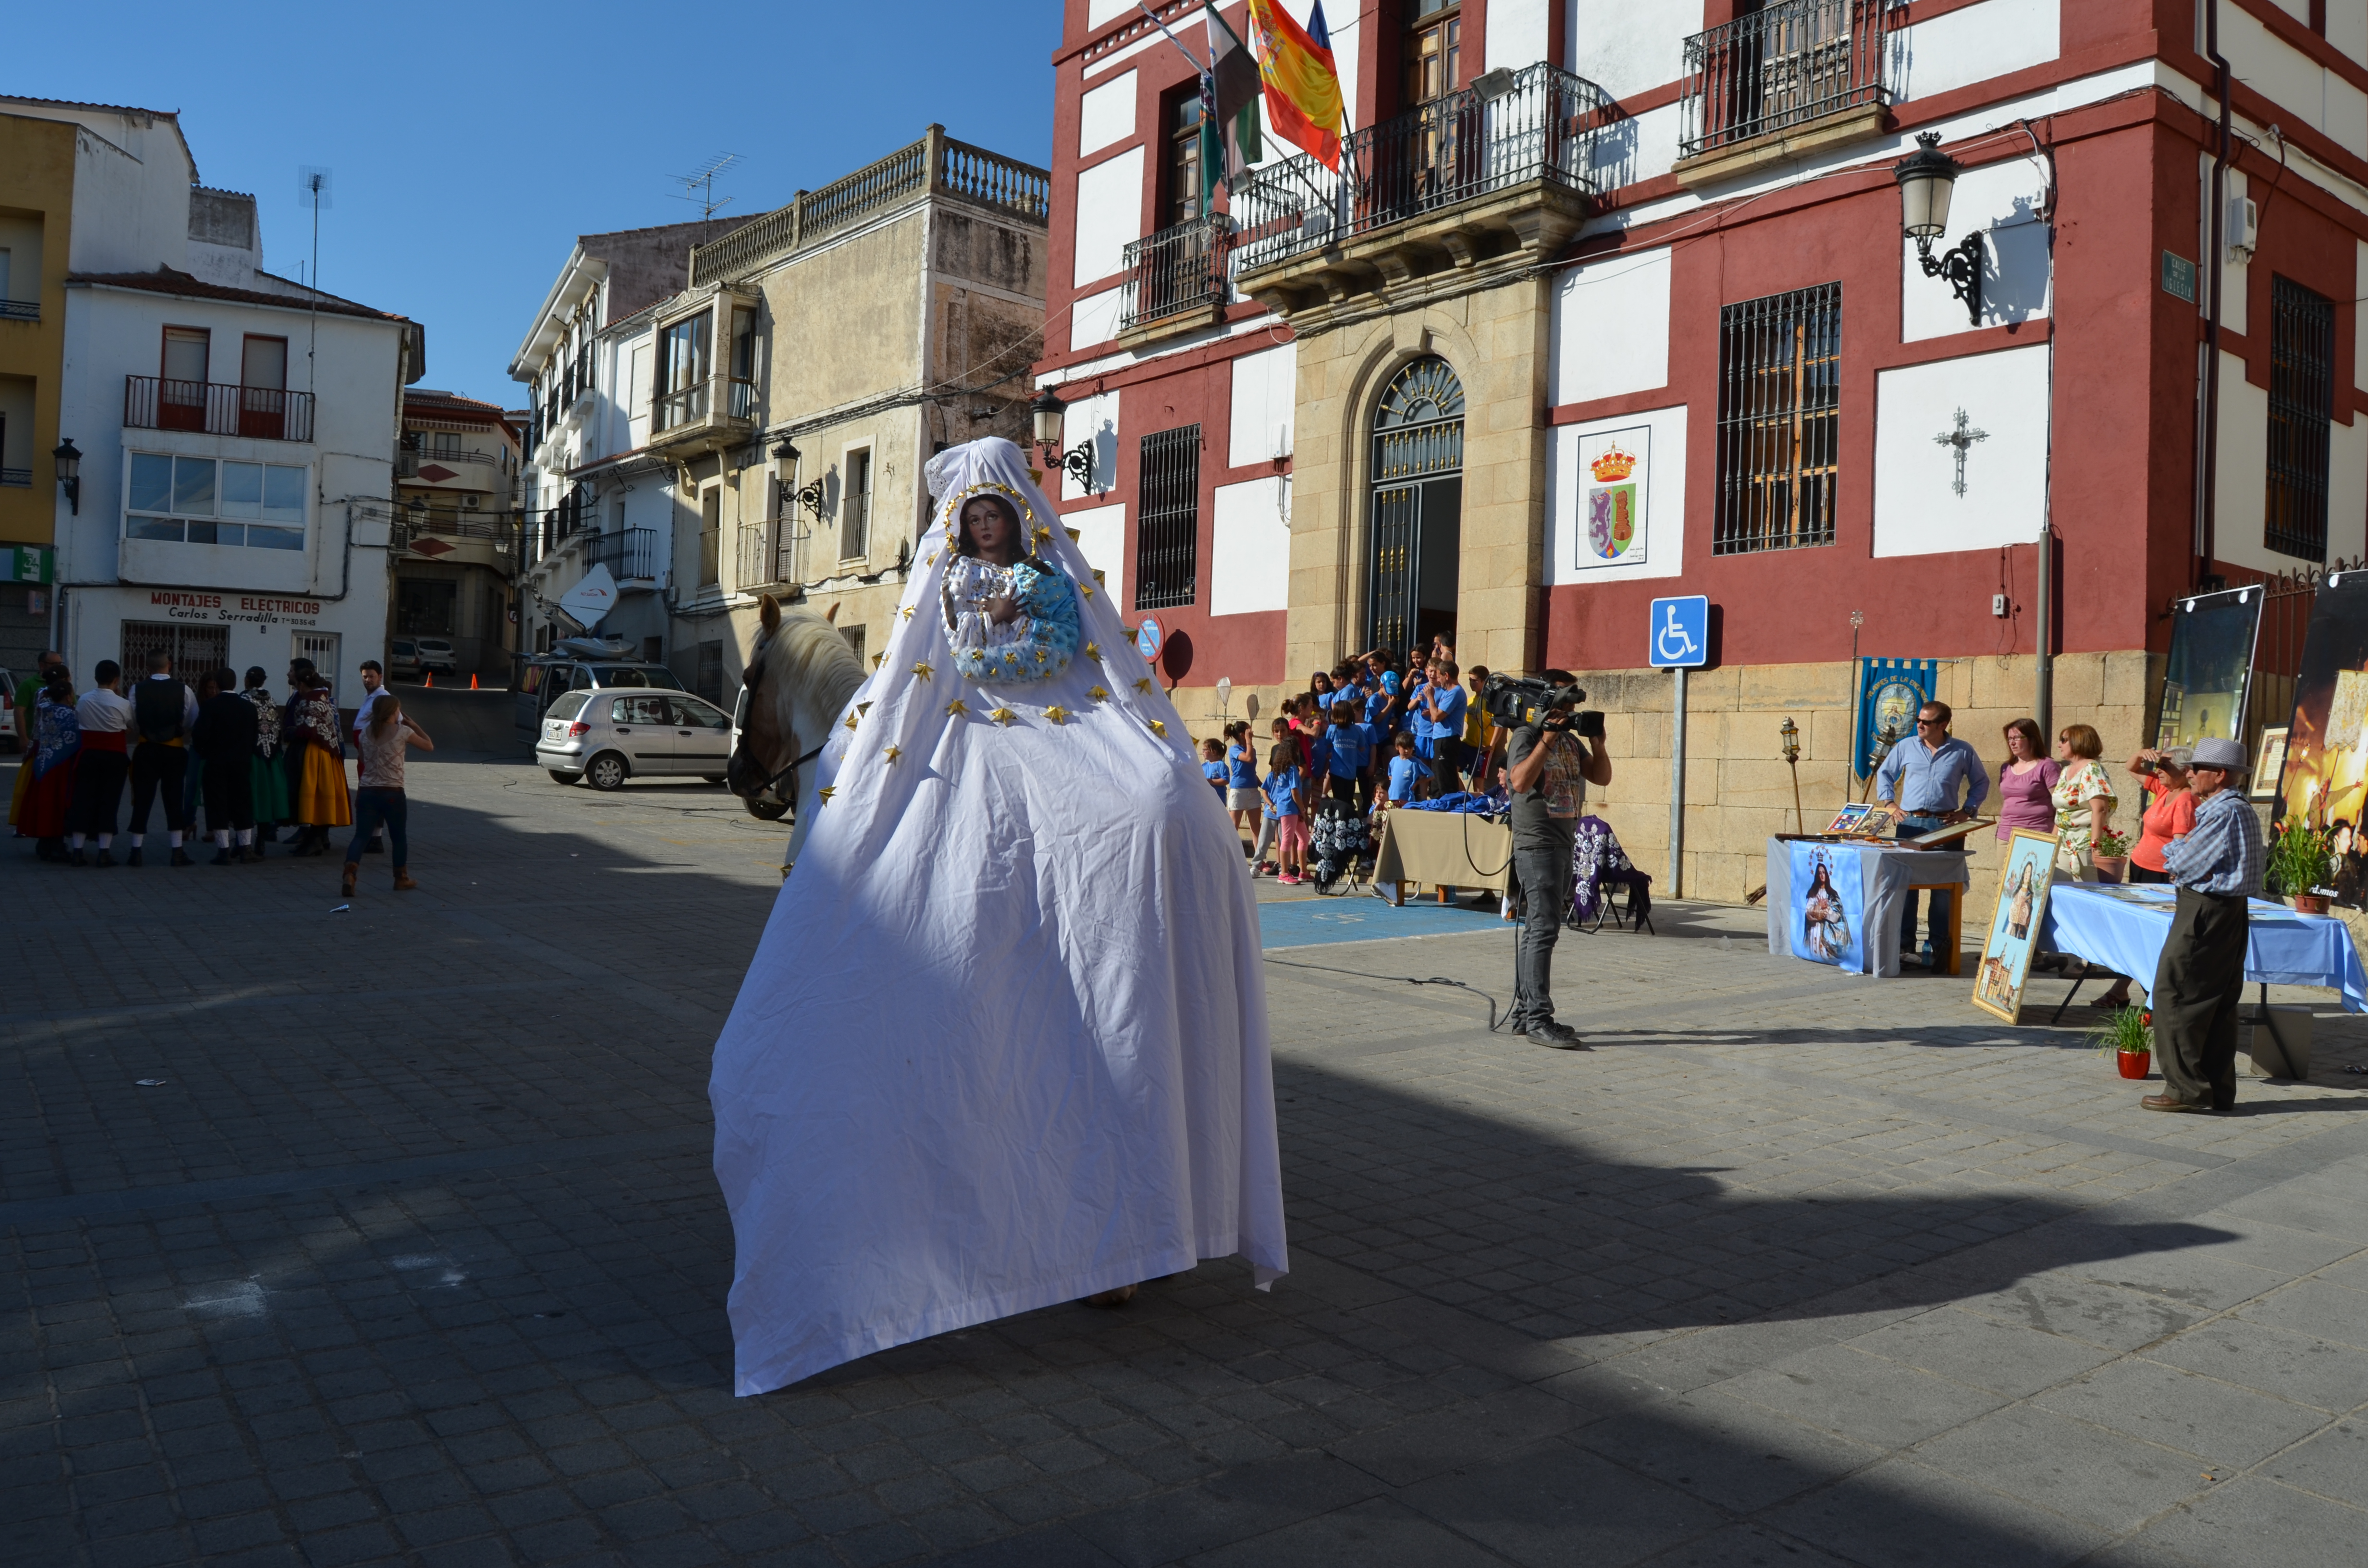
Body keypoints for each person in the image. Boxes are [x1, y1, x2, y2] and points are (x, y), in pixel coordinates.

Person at [708, 436, 1284, 1395]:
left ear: (1016, 524)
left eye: (993, 518)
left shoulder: (1044, 596)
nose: (983, 528)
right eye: (971, 520)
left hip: (1034, 714)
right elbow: (949, 656)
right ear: (958, 529)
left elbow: (1043, 645)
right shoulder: (942, 610)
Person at [2146, 736, 2263, 1114]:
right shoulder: (2232, 807)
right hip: (2224, 908)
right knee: (2214, 1000)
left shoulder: (2223, 810)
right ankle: (2214, 1088)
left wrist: (2172, 850)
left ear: (2221, 774)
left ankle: (2185, 1089)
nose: (2191, 774)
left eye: (2198, 769)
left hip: (2206, 908)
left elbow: (2182, 863)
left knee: (2176, 994)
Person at [1503, 672, 1614, 1047]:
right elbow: (1518, 781)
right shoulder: (1526, 735)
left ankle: (1524, 1014)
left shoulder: (1569, 740)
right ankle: (1538, 1019)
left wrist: (1597, 744)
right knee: (1545, 929)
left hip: (1563, 842)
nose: (1572, 709)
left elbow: (1601, 776)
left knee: (1537, 929)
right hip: (1537, 845)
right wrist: (1547, 738)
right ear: (1548, 700)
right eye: (1566, 701)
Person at [1874, 700, 1991, 968]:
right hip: (1911, 824)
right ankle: (1904, 946)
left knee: (1944, 889)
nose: (1920, 725)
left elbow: (1981, 782)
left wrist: (1968, 811)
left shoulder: (1962, 750)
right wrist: (1890, 804)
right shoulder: (1906, 746)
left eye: (1926, 722)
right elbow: (1885, 773)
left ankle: (1940, 948)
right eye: (1919, 720)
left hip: (1946, 825)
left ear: (1943, 725)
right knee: (1906, 885)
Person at [2093, 746, 2200, 1009]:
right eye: (2158, 765)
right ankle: (2123, 991)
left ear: (2186, 772)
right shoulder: (2165, 789)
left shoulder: (2185, 800)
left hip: (2162, 876)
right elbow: (2131, 769)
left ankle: (2156, 997)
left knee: (2153, 937)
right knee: (2137, 933)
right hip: (2143, 868)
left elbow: (2181, 843)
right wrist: (2141, 754)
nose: (2159, 771)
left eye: (2166, 766)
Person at [343, 692, 432, 896]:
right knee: (398, 837)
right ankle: (401, 878)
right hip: (393, 792)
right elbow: (429, 746)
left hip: (367, 791)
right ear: (394, 712)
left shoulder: (366, 732)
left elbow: (363, 759)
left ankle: (350, 873)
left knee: (361, 836)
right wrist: (415, 725)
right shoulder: (403, 732)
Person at [125, 650, 198, 867]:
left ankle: (136, 851)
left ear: (147, 667)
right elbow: (192, 719)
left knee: (142, 800)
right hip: (174, 750)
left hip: (146, 748)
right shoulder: (184, 690)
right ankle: (177, 851)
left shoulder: (136, 689)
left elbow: (132, 719)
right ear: (170, 664)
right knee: (174, 799)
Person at [192, 667, 260, 865]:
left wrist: (205, 752)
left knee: (217, 804)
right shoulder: (248, 708)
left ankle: (223, 850)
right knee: (243, 802)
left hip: (216, 762)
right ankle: (246, 848)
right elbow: (255, 736)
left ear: (218, 685)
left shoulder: (211, 706)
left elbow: (200, 735)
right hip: (241, 763)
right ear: (235, 684)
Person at [67, 661, 133, 866]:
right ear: (117, 680)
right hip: (115, 758)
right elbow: (130, 725)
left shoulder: (84, 700)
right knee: (109, 802)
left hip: (89, 755)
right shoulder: (123, 703)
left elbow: (79, 722)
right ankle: (104, 852)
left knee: (83, 800)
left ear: (96, 678)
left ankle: (77, 851)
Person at [286, 668, 352, 856]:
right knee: (322, 794)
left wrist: (292, 732)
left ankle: (314, 840)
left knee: (313, 794)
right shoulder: (323, 697)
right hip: (328, 751)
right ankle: (319, 838)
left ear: (301, 684)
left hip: (315, 752)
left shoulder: (310, 700)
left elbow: (309, 729)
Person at [17, 668, 80, 860]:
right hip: (61, 766)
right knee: (58, 804)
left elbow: (43, 696)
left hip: (43, 763)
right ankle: (56, 845)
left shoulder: (45, 709)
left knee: (43, 802)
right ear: (69, 697)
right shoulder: (72, 715)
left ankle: (43, 843)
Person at [2049, 723, 2119, 881]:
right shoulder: (2066, 771)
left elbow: (2100, 809)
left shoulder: (2092, 769)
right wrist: (2052, 842)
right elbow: (2062, 812)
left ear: (2078, 741)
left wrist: (2096, 846)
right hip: (2063, 845)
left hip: (2084, 846)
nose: (2059, 744)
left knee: (2086, 895)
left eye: (2063, 740)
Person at [8, 649, 65, 836]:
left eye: (60, 663)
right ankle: (22, 823)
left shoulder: (64, 685)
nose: (58, 667)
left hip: (55, 747)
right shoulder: (30, 685)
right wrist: (24, 738)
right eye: (54, 664)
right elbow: (20, 712)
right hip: (37, 742)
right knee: (28, 785)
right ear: (42, 666)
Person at [1993, 719, 2060, 845]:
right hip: (2006, 835)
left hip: (2037, 834)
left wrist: (2055, 835)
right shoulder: (2006, 768)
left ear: (2032, 738)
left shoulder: (2047, 766)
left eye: (2016, 738)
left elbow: (2060, 803)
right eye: (2009, 739)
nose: (2012, 743)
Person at [243, 668, 289, 847]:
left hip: (252, 755)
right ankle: (262, 839)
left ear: (247, 680)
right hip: (272, 755)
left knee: (253, 796)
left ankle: (245, 841)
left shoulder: (245, 698)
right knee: (267, 796)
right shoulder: (271, 700)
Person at [1414, 658, 1470, 797]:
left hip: (1448, 740)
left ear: (1447, 676)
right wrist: (1434, 712)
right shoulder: (1447, 693)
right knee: (1436, 782)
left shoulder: (1455, 692)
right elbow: (1434, 718)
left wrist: (1431, 698)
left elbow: (1437, 716)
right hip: (1439, 740)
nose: (1438, 681)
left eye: (1439, 677)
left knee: (1446, 782)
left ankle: (1449, 810)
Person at [351, 659, 388, 854]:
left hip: (375, 755)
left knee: (374, 795)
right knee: (367, 795)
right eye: (365, 677)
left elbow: (394, 723)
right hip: (365, 755)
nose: (368, 680)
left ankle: (376, 838)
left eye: (371, 676)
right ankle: (370, 836)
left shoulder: (383, 698)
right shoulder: (371, 697)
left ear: (380, 677)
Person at [1265, 741, 1308, 885]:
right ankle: (1283, 873)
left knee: (1304, 838)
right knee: (1288, 840)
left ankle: (1303, 872)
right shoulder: (1292, 769)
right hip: (1290, 808)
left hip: (1290, 808)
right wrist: (1302, 810)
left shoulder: (1281, 770)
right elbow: (1295, 792)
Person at [1325, 699, 1370, 806]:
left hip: (1336, 772)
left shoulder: (1332, 729)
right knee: (1348, 801)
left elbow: (1327, 745)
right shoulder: (1358, 730)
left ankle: (1341, 821)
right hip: (1351, 773)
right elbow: (1362, 748)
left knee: (1339, 802)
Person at [1223, 721, 1261, 845]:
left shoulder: (1252, 750)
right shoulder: (1235, 749)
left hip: (1253, 790)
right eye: (1249, 732)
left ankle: (1259, 861)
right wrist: (1248, 741)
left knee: (1256, 828)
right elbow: (1248, 758)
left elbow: (1251, 771)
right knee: (1234, 827)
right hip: (1239, 790)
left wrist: (1264, 785)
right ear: (1242, 734)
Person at [1463, 665, 1495, 791]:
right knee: (1450, 769)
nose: (1472, 683)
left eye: (1475, 681)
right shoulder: (1470, 701)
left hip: (1483, 748)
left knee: (1478, 784)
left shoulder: (1490, 702)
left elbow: (1499, 725)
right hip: (1468, 744)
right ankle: (1463, 798)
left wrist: (1491, 746)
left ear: (1484, 681)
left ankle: (1478, 805)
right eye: (1470, 680)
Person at [1382, 731, 1421, 807]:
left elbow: (1430, 776)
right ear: (1397, 747)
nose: (1407, 751)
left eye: (1410, 748)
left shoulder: (1415, 762)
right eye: (1404, 748)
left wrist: (1416, 783)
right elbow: (1390, 775)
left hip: (1407, 799)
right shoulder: (1394, 760)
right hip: (1393, 797)